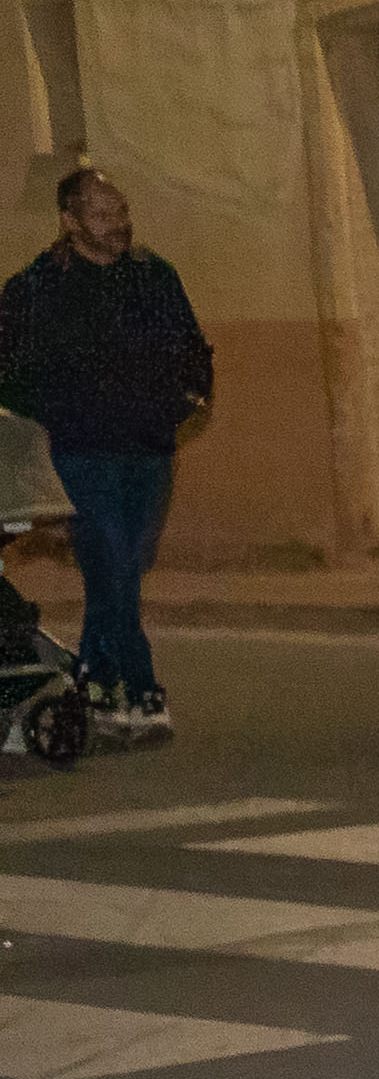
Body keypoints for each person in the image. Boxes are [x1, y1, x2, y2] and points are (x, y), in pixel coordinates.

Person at [0, 165, 209, 739]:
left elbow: (191, 347)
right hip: (82, 453)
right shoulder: (37, 288)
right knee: (112, 565)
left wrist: (184, 402)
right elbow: (7, 369)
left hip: (149, 450)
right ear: (70, 221)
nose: (117, 224)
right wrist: (58, 414)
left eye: (121, 211)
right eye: (101, 214)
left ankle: (92, 686)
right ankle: (142, 691)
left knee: (124, 571)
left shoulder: (153, 276)